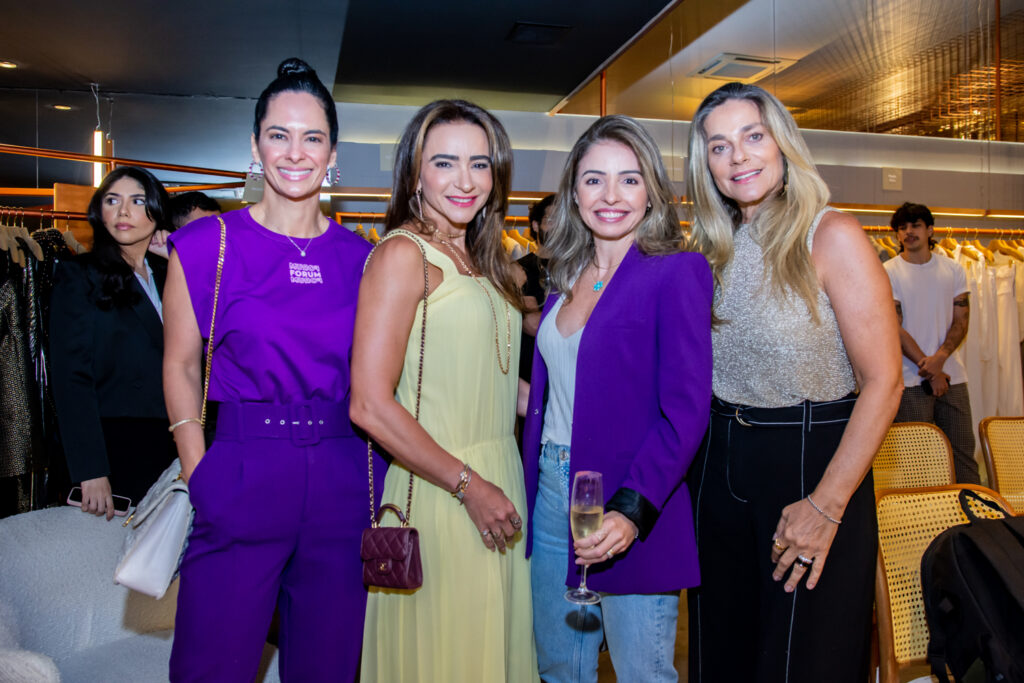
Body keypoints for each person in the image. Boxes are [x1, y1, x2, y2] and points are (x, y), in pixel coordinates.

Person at [685, 82, 903, 683]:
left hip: (811, 462)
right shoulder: (709, 249)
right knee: (721, 656)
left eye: (753, 137)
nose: (739, 157)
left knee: (803, 661)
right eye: (719, 146)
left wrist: (827, 507)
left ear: (782, 143)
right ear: (704, 163)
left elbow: (884, 381)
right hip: (719, 463)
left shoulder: (830, 234)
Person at [163, 58, 372, 681]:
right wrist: (199, 472)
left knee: (329, 667)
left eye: (312, 138)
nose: (295, 152)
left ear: (333, 153)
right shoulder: (206, 246)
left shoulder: (365, 258)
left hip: (344, 475)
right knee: (211, 664)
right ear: (255, 146)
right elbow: (178, 364)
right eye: (279, 134)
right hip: (243, 466)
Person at [350, 99, 538, 682]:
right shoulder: (404, 255)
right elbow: (369, 404)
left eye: (479, 164)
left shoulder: (489, 258)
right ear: (415, 172)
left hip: (498, 476)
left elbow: (498, 379)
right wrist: (467, 484)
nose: (464, 181)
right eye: (445, 163)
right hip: (442, 486)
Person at [521, 114, 712, 683]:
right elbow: (560, 394)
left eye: (629, 179)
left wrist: (633, 510)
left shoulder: (675, 273)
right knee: (561, 668)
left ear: (652, 190)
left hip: (629, 497)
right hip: (554, 493)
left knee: (642, 673)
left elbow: (686, 410)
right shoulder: (566, 278)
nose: (611, 195)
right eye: (594, 179)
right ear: (573, 193)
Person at [50, 165, 177, 518]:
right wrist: (90, 468)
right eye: (112, 200)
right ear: (99, 211)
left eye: (137, 200)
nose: (123, 212)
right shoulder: (79, 274)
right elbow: (70, 376)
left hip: (171, 439)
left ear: (156, 211)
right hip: (113, 441)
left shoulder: (170, 272)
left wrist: (181, 261)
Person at [885, 202, 978, 483]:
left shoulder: (953, 269)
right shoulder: (888, 271)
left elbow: (961, 321)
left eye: (915, 225)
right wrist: (932, 369)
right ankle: (925, 524)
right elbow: (894, 327)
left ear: (930, 230)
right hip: (911, 379)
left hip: (954, 375)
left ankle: (975, 519)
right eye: (902, 228)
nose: (908, 232)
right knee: (919, 462)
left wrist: (940, 359)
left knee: (963, 453)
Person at [516, 193, 554, 382]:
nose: (558, 226)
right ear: (536, 225)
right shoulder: (520, 269)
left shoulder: (581, 267)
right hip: (533, 371)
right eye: (551, 219)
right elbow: (531, 323)